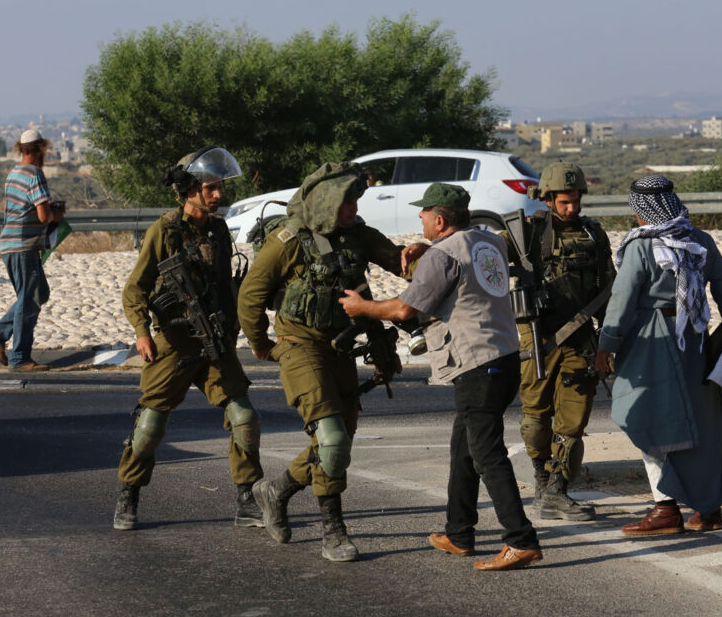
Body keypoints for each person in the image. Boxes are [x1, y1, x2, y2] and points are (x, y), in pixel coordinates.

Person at [339, 182, 543, 571]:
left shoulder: (443, 255)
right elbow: (463, 266)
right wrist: (429, 250)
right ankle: (459, 533)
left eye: (424, 213)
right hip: (505, 357)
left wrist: (362, 306)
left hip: (476, 364)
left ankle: (521, 539)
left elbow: (403, 311)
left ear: (440, 219)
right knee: (463, 449)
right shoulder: (489, 243)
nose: (419, 218)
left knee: (486, 453)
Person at [238, 161, 424, 562]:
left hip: (340, 345)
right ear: (326, 202)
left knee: (337, 443)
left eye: (356, 200)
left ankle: (276, 491)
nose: (354, 209)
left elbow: (399, 261)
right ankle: (333, 530)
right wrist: (261, 344)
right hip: (298, 343)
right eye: (347, 202)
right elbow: (251, 296)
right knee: (332, 439)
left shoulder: (357, 235)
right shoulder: (288, 241)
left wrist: (422, 255)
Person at [113, 146, 264, 531]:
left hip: (214, 341)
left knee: (244, 417)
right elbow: (136, 289)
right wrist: (142, 333)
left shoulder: (217, 229)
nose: (218, 195)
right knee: (150, 427)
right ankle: (129, 493)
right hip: (175, 342)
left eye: (219, 188)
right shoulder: (163, 232)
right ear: (190, 190)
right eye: (211, 188)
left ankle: (247, 498)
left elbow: (226, 284)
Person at [595, 174, 722, 535]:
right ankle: (709, 509)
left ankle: (665, 509)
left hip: (651, 344)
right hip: (696, 339)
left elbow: (622, 302)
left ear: (641, 211)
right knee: (700, 424)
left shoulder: (641, 247)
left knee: (646, 418)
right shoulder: (700, 241)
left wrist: (606, 345)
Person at [505, 162, 615, 521]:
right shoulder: (526, 233)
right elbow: (486, 254)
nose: (571, 208)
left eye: (575, 200)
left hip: (582, 339)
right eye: (564, 202)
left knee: (573, 420)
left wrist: (608, 340)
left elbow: (608, 289)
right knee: (535, 416)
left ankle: (556, 490)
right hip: (537, 336)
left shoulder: (594, 235)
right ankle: (540, 479)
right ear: (548, 198)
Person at [0, 129, 65, 372]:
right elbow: (43, 215)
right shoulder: (34, 174)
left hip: (9, 245)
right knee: (30, 299)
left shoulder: (13, 173)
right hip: (24, 246)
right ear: (40, 149)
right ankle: (19, 357)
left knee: (37, 294)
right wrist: (56, 214)